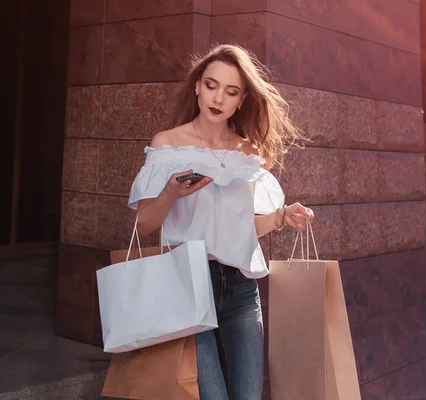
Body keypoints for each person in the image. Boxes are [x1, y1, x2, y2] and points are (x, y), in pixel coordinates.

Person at [127, 44, 315, 399]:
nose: (218, 98)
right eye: (211, 85)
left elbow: (238, 232)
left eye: (231, 92)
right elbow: (144, 226)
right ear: (197, 85)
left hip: (241, 290)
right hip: (187, 283)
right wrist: (170, 194)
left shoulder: (247, 153)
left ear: (241, 100)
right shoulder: (168, 145)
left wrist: (281, 217)